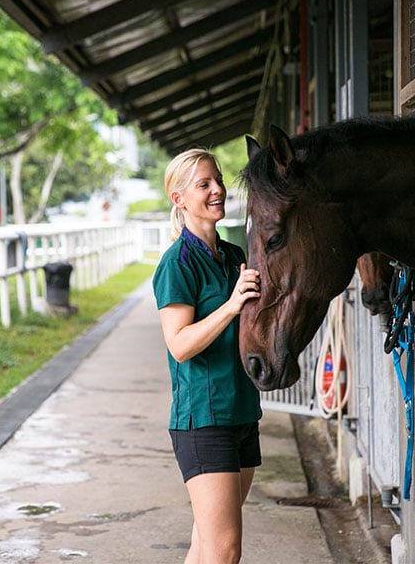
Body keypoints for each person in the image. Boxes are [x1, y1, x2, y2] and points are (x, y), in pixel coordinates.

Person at [152, 148, 262, 563]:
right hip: (203, 420)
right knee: (224, 551)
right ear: (179, 199)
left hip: (242, 413)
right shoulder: (177, 264)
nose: (218, 189)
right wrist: (231, 306)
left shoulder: (235, 256)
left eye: (217, 180)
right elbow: (179, 345)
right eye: (204, 185)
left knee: (206, 545)